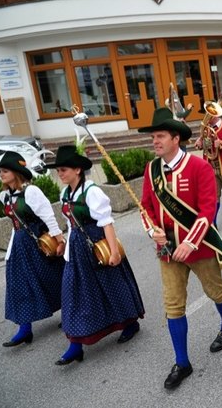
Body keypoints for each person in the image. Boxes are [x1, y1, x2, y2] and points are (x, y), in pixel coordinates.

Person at [139, 108, 222, 389]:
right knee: (173, 305)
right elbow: (145, 206)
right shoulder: (151, 170)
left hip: (199, 246)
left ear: (175, 138)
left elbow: (208, 210)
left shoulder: (199, 167)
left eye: (160, 136)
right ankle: (182, 362)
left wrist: (190, 242)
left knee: (216, 291)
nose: (155, 141)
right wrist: (152, 230)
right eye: (153, 137)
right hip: (167, 250)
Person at [47, 145, 144, 365]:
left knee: (112, 285)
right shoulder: (65, 194)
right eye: (58, 170)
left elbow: (106, 223)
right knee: (73, 293)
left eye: (64, 169)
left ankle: (130, 323)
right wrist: (66, 247)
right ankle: (75, 345)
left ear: (77, 170)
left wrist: (114, 252)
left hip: (96, 245)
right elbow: (70, 224)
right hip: (76, 249)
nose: (60, 174)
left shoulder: (92, 192)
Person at [0, 151, 66, 347]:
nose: (1, 174)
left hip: (39, 243)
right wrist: (10, 250)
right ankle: (24, 329)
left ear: (16, 173)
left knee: (52, 278)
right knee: (19, 284)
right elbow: (15, 224)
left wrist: (60, 241)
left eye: (5, 171)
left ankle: (69, 312)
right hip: (19, 245)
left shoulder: (31, 192)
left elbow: (48, 216)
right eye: (0, 171)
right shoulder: (5, 196)